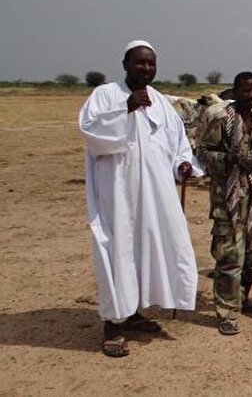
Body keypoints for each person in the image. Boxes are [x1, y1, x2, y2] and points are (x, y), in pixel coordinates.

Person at [79, 40, 203, 357]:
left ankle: (134, 312)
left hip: (156, 195)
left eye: (151, 63)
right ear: (125, 64)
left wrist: (183, 165)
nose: (146, 68)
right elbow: (91, 133)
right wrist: (126, 108)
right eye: (139, 63)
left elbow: (178, 145)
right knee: (118, 250)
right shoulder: (106, 95)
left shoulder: (162, 102)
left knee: (152, 248)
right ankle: (113, 324)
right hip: (117, 194)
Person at [197, 72, 252, 335]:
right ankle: (226, 311)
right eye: (245, 91)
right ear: (234, 92)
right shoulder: (221, 120)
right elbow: (203, 153)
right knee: (229, 257)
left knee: (250, 255)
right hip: (228, 198)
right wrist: (231, 161)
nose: (251, 96)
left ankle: (242, 298)